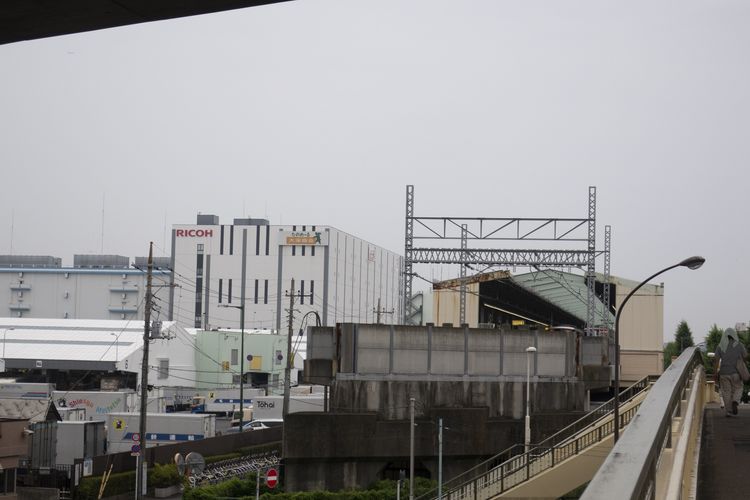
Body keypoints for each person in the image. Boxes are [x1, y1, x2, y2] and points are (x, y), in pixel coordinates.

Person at [714, 328, 748, 416]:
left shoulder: (720, 346)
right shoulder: (739, 345)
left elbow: (716, 360)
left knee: (726, 391)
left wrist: (715, 373)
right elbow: (745, 356)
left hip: (724, 372)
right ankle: (735, 401)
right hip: (736, 372)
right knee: (738, 387)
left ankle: (728, 411)